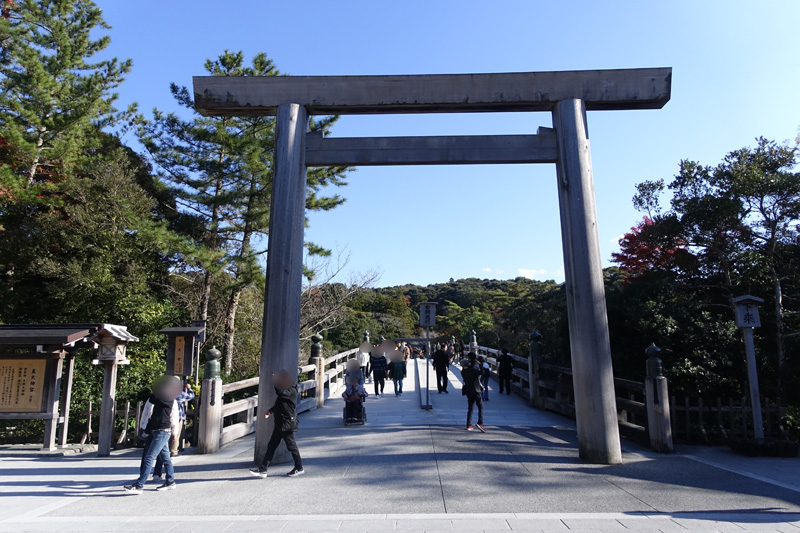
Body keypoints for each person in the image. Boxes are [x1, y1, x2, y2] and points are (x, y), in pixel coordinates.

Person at [124, 376, 181, 494]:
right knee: (166, 458)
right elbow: (151, 402)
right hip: (156, 430)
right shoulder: (158, 398)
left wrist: (175, 432)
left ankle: (139, 485)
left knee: (149, 457)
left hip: (162, 431)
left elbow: (174, 417)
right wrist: (145, 429)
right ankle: (170, 481)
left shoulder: (168, 398)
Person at [250, 369, 304, 478]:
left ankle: (299, 468)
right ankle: (263, 470)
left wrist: (275, 381)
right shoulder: (286, 390)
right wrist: (270, 411)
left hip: (287, 424)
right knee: (271, 446)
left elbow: (280, 393)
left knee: (291, 446)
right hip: (280, 423)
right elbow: (279, 404)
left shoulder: (292, 391)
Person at [461, 353, 486, 432]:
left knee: (470, 408)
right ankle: (480, 423)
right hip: (476, 390)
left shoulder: (463, 372)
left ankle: (469, 424)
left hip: (468, 390)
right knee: (480, 407)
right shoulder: (474, 370)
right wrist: (480, 364)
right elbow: (482, 373)